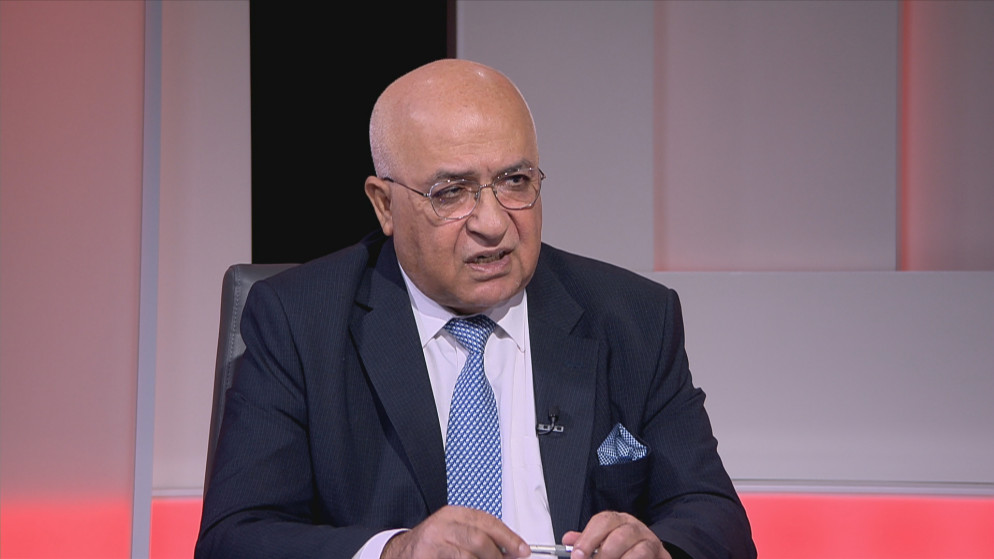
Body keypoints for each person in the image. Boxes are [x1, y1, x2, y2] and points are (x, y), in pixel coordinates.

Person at [196, 59, 755, 559]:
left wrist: (661, 550)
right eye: (451, 192)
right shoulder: (299, 321)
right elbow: (235, 538)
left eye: (515, 181)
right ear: (384, 205)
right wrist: (394, 553)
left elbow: (715, 518)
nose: (492, 223)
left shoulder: (634, 318)